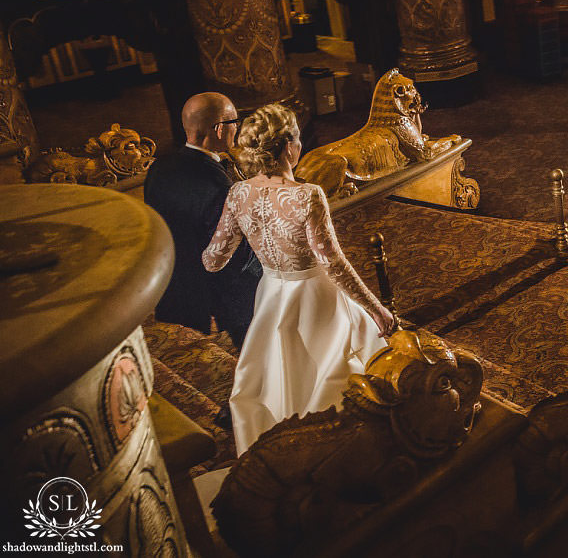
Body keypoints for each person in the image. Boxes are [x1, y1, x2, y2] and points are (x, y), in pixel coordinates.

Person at [202, 103, 396, 455]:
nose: (300, 145)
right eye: (298, 139)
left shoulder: (238, 193)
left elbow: (213, 260)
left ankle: (290, 453)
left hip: (272, 296)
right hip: (315, 297)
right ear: (287, 146)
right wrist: (375, 308)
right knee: (335, 376)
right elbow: (333, 262)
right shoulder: (307, 196)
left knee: (279, 380)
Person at [144, 92, 262, 349]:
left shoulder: (159, 168)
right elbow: (233, 255)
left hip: (175, 281)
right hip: (219, 291)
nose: (237, 130)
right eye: (234, 123)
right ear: (219, 129)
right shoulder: (218, 186)